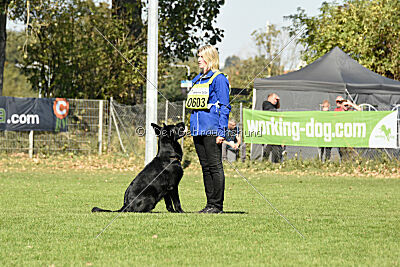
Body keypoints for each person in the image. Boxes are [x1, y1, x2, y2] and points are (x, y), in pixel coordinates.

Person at [188, 44, 231, 214]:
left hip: (212, 129)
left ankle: (217, 205)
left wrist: (222, 131)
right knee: (205, 167)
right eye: (198, 56)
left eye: (202, 56)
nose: (199, 59)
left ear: (210, 58)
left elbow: (225, 106)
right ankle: (209, 204)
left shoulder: (219, 79)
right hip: (198, 130)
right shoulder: (197, 79)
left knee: (215, 166)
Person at [334, 96, 361, 161]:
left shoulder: (350, 111)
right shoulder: (337, 111)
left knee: (351, 152)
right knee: (342, 153)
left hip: (349, 136)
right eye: (338, 102)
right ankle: (345, 164)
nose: (339, 103)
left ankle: (354, 162)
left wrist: (351, 104)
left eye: (341, 101)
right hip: (341, 136)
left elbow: (360, 110)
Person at [262, 93, 283, 163]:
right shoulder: (266, 104)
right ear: (270, 98)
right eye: (275, 99)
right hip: (268, 130)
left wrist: (278, 100)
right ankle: (265, 162)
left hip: (274, 130)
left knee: (275, 147)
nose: (276, 101)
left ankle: (275, 162)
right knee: (269, 146)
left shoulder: (273, 106)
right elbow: (272, 111)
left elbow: (277, 107)